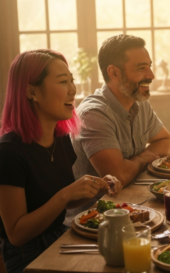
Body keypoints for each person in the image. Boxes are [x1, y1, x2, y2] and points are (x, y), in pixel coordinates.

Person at [0, 49, 121, 273]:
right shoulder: (8, 152)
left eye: (72, 80)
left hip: (60, 236)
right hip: (26, 255)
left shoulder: (61, 138)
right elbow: (16, 234)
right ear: (31, 92)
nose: (73, 90)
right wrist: (65, 194)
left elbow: (59, 202)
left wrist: (94, 187)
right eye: (63, 81)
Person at [67, 34, 170, 225]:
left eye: (149, 66)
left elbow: (165, 141)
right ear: (114, 73)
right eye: (141, 68)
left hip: (133, 207)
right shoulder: (94, 114)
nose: (151, 75)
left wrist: (134, 162)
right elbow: (119, 176)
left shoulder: (139, 101)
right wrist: (145, 157)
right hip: (93, 223)